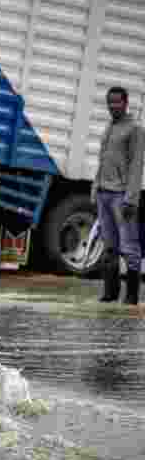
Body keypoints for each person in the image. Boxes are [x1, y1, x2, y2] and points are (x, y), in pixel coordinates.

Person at [92, 86, 144, 305]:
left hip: (121, 196)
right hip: (104, 193)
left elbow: (136, 166)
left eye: (117, 102)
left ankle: (131, 295)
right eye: (110, 102)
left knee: (129, 246)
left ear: (126, 103)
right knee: (109, 245)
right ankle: (110, 293)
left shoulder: (134, 130)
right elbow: (103, 160)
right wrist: (95, 188)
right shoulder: (109, 128)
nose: (113, 106)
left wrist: (131, 198)